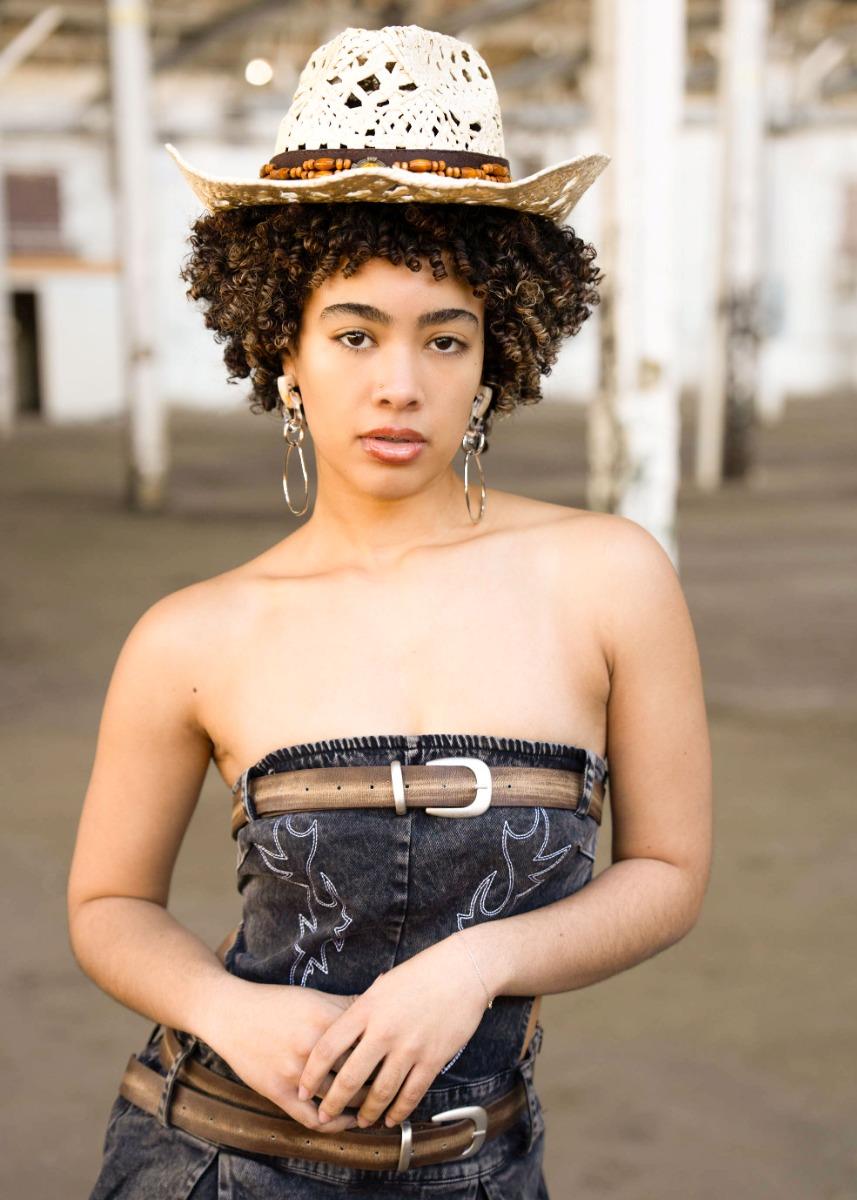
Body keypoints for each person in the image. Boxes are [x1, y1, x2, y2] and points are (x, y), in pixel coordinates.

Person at [68, 22, 712, 1200]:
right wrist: (223, 1008)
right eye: (354, 333)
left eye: (444, 338)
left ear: (496, 356)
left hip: (481, 1167)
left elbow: (666, 871)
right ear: (283, 347)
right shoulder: (192, 634)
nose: (398, 385)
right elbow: (108, 904)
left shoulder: (610, 576)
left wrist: (477, 964)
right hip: (207, 1160)